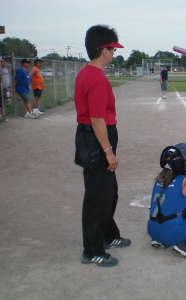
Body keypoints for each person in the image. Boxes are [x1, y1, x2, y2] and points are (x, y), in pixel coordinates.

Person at [74, 24, 131, 267]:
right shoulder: (95, 77)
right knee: (98, 197)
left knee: (109, 192)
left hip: (97, 136)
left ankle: (108, 235)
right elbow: (97, 119)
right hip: (97, 138)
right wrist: (108, 152)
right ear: (102, 50)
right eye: (112, 49)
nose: (114, 53)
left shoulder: (89, 73)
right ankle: (92, 250)